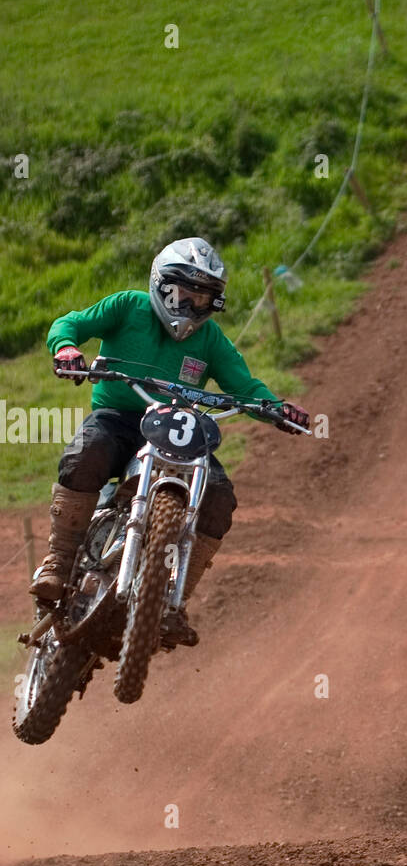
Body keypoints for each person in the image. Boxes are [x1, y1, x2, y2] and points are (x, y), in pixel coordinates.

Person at [35, 236, 309, 645]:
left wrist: (276, 408)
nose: (192, 306)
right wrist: (68, 348)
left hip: (178, 428)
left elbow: (245, 386)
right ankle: (57, 562)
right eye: (184, 294)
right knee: (86, 452)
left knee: (218, 496)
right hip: (119, 418)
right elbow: (69, 323)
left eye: (203, 300)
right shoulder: (128, 305)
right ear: (161, 285)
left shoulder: (211, 339)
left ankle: (173, 603)